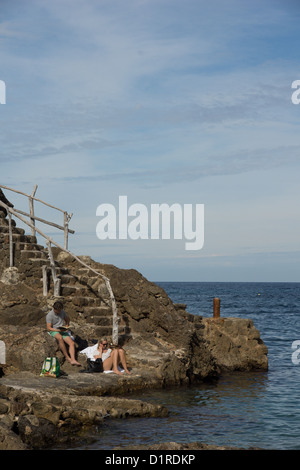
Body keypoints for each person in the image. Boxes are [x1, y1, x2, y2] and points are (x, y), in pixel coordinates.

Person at [46, 301, 81, 366]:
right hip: (54, 330)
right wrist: (57, 330)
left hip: (62, 329)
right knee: (60, 338)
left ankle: (73, 359)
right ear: (54, 309)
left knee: (72, 343)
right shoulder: (50, 315)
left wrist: (67, 326)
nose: (58, 312)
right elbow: (48, 328)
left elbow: (67, 319)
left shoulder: (62, 312)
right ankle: (67, 357)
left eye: (59, 310)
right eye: (57, 311)